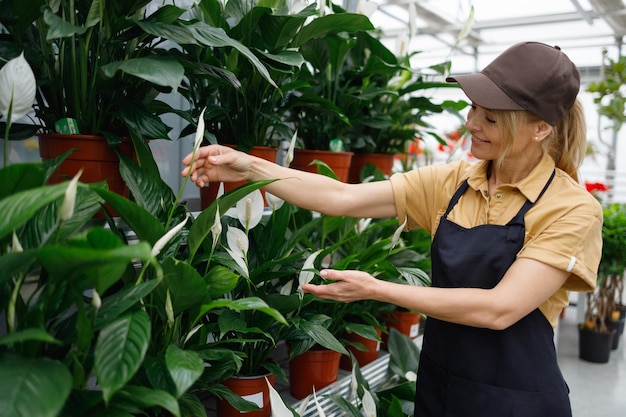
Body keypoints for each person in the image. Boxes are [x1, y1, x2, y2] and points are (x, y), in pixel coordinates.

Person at [182, 41, 602, 416]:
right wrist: (249, 166)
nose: (472, 123)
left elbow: (499, 309)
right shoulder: (453, 182)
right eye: (473, 108)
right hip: (443, 390)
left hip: (518, 402)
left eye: (491, 119)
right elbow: (341, 198)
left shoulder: (571, 208)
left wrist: (377, 289)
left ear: (540, 128)